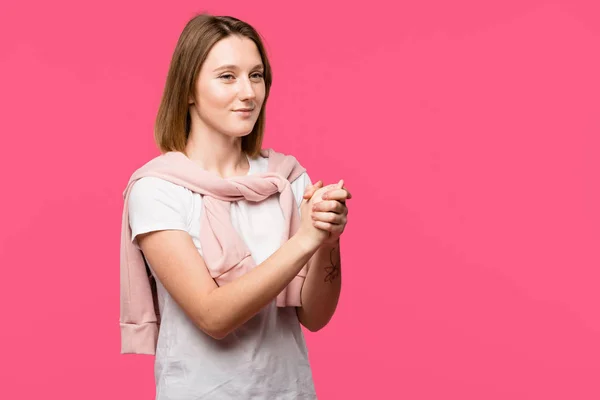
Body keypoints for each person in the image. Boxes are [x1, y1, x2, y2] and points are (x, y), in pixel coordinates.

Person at [121, 13, 351, 399]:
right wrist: (304, 241)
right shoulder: (158, 189)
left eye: (256, 75)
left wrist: (327, 240)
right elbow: (213, 316)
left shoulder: (287, 179)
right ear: (189, 89)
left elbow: (315, 317)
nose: (248, 92)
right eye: (227, 76)